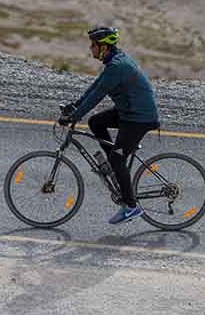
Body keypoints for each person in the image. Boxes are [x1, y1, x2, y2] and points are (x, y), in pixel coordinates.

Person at [58, 26, 160, 224]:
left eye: (93, 45)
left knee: (117, 159)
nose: (91, 49)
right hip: (129, 112)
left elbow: (97, 96)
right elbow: (95, 87)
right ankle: (115, 160)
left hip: (139, 118)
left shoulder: (117, 67)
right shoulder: (114, 62)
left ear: (104, 47)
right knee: (96, 122)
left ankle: (131, 207)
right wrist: (75, 105)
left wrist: (74, 116)